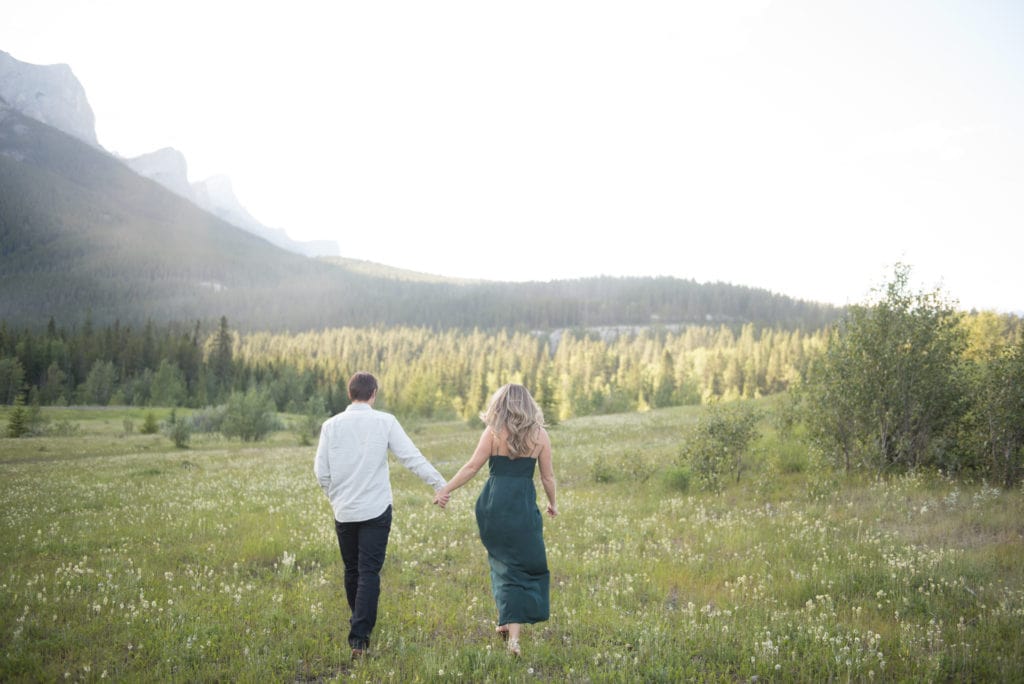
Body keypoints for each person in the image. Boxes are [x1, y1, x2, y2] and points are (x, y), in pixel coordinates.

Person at [314, 371, 448, 660]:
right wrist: (440, 484)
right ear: (373, 393)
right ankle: (359, 637)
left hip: (345, 511)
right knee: (368, 572)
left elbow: (320, 471)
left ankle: (359, 624)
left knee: (352, 570)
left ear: (350, 394)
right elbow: (411, 457)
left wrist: (334, 496)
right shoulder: (385, 421)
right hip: (376, 510)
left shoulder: (330, 425)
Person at [433, 383, 557, 657]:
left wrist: (445, 490)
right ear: (528, 405)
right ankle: (513, 638)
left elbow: (471, 467)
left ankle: (505, 624)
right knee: (521, 566)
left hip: (493, 505)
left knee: (502, 563)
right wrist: (552, 503)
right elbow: (547, 477)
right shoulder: (540, 436)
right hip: (522, 506)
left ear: (500, 405)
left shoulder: (492, 433)